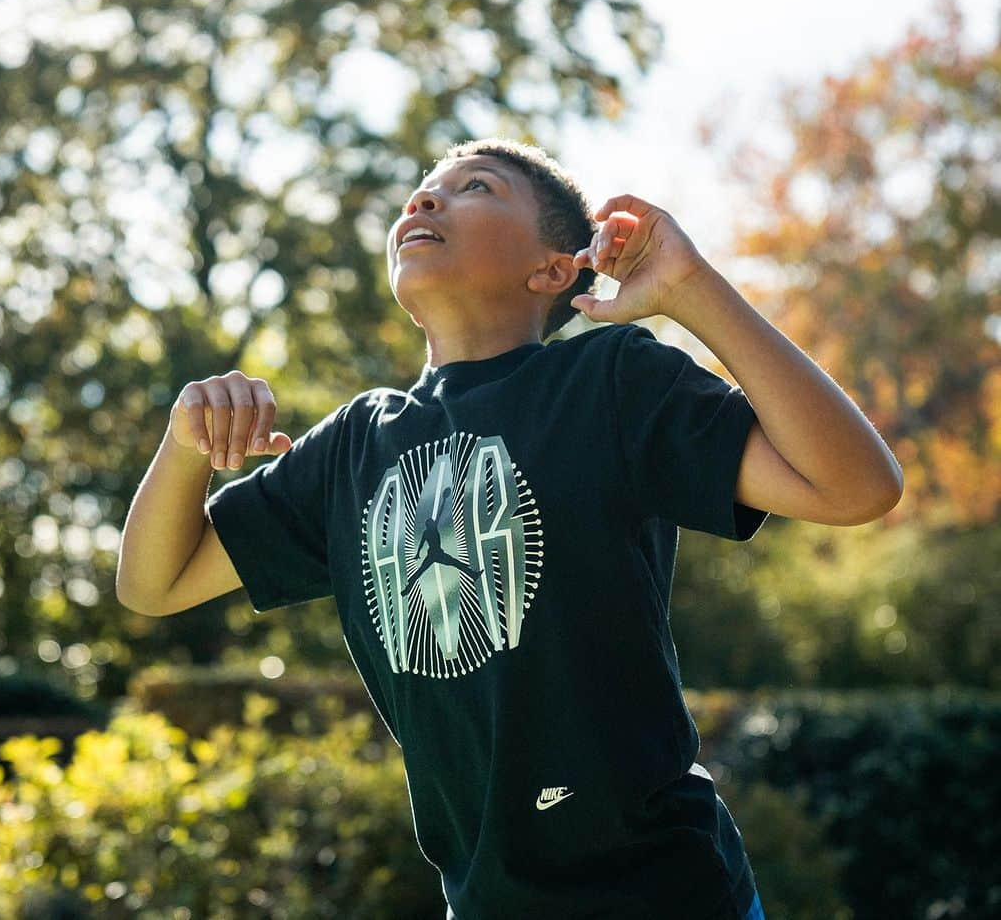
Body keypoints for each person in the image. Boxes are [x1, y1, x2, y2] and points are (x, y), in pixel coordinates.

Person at [117, 137, 904, 919]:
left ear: (554, 270)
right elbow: (154, 582)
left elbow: (857, 485)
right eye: (423, 189)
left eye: (476, 188)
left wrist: (694, 290)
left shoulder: (611, 380)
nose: (423, 200)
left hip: (668, 895)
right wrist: (185, 446)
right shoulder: (353, 448)